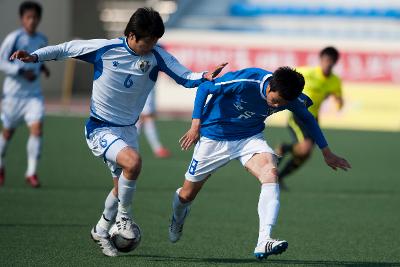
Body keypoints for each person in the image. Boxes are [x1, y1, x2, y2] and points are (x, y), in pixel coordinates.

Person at [11, 7, 226, 257]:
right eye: (149, 41)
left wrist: (205, 76)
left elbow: (186, 77)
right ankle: (124, 218)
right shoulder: (105, 49)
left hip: (128, 131)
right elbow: (66, 48)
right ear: (132, 36)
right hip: (100, 127)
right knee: (133, 163)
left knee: (120, 187)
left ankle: (101, 229)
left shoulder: (156, 56)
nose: (153, 46)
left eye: (156, 41)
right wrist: (34, 57)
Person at [168, 67, 351, 260]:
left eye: (282, 104)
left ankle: (264, 239)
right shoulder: (247, 81)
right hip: (214, 136)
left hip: (249, 138)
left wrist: (326, 152)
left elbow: (308, 118)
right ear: (270, 86)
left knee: (270, 173)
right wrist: (195, 126)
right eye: (275, 100)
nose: (276, 105)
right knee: (187, 195)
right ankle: (177, 219)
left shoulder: (290, 97)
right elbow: (205, 88)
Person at [276, 47, 343, 189]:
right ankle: (284, 148)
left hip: (314, 118)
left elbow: (338, 99)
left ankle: (280, 177)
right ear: (321, 60)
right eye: (326, 60)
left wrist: (339, 102)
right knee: (305, 149)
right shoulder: (307, 72)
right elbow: (286, 78)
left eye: (331, 61)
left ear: (335, 62)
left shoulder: (335, 81)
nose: (328, 64)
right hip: (298, 115)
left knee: (304, 156)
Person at [0, 1, 49, 188]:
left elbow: (39, 59)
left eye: (35, 17)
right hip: (13, 96)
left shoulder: (42, 39)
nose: (32, 21)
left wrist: (43, 68)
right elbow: (1, 62)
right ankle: (1, 165)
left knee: (37, 130)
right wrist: (20, 71)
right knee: (7, 133)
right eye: (29, 17)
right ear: (22, 19)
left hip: (33, 96)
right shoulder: (14, 38)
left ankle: (31, 172)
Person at [136, 87, 171, 158]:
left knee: (145, 119)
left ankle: (157, 148)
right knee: (146, 117)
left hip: (149, 83)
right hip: (144, 84)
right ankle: (157, 148)